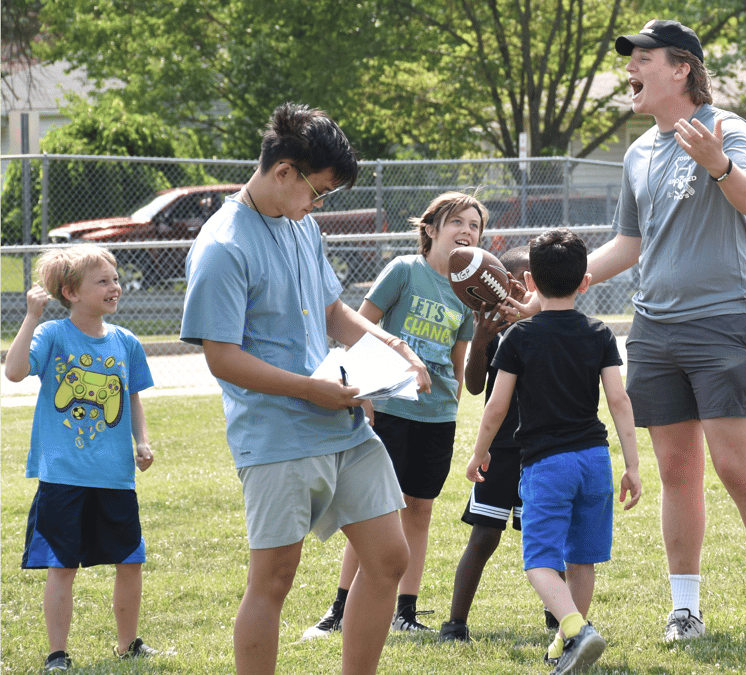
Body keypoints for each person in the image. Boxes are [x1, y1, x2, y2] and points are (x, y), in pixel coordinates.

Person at [544, 18, 746, 641]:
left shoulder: (726, 128)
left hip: (721, 322)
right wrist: (565, 282)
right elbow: (629, 243)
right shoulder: (640, 152)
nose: (631, 69)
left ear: (681, 69)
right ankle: (685, 610)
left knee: (737, 467)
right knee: (677, 472)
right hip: (653, 330)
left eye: (643, 57)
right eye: (631, 58)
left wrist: (717, 163)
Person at [180, 102, 430, 675]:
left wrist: (396, 351)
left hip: (341, 423)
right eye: (316, 191)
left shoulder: (302, 227)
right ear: (284, 171)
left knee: (390, 557)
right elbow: (221, 358)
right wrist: (307, 390)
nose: (317, 205)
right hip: (276, 434)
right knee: (273, 579)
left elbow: (333, 312)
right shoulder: (222, 247)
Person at [300, 191, 482, 639]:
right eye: (457, 221)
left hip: (435, 415)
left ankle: (406, 610)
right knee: (374, 511)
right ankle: (340, 610)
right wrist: (363, 395)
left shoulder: (466, 291)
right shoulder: (404, 270)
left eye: (475, 225)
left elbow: (459, 359)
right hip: (388, 408)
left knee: (419, 509)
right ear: (432, 228)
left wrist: (452, 401)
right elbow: (358, 330)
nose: (467, 231)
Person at [465, 228, 641, 675]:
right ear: (585, 282)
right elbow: (619, 401)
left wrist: (479, 453)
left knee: (540, 562)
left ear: (530, 284)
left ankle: (576, 630)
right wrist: (633, 465)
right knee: (581, 559)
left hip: (547, 464)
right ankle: (567, 645)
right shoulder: (600, 333)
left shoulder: (518, 338)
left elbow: (496, 406)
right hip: (596, 462)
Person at [5, 244, 161, 671]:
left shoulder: (127, 342)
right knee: (62, 566)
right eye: (103, 281)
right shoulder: (53, 335)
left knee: (130, 560)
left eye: (115, 279)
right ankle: (58, 653)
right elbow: (15, 371)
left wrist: (141, 441)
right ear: (71, 292)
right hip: (63, 476)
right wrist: (32, 316)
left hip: (114, 476)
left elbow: (132, 398)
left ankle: (128, 644)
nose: (115, 286)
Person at [440, 246, 556, 643]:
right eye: (518, 283)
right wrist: (481, 337)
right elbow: (474, 386)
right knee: (485, 535)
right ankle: (455, 624)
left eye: (532, 285)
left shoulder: (552, 325)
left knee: (543, 538)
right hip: (502, 447)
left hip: (543, 450)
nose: (525, 293)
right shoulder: (495, 327)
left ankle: (558, 619)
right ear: (499, 285)